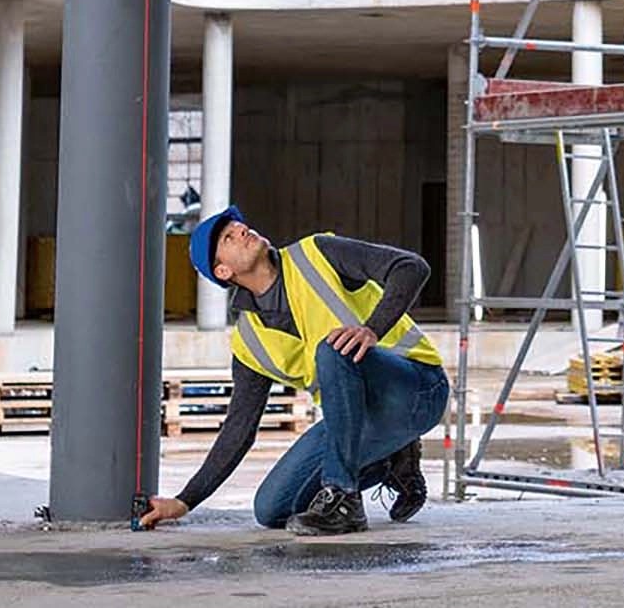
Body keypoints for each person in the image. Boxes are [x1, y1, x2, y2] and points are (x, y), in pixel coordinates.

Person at [138, 206, 448, 535]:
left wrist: (372, 329)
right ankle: (394, 462)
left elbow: (411, 267)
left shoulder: (317, 254)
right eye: (228, 237)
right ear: (223, 271)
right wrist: (185, 501)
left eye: (238, 226)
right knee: (272, 508)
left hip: (418, 388)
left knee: (332, 349)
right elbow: (238, 430)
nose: (242, 230)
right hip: (359, 419)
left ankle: (343, 497)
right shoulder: (249, 341)